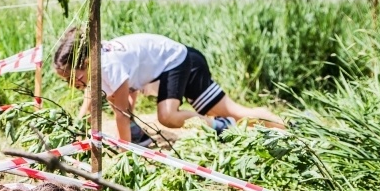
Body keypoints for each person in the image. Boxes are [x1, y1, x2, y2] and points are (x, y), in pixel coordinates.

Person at [54, 28, 285, 145]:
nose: (72, 84)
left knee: (167, 116)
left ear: (84, 62)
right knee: (235, 112)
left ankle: (223, 125)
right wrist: (76, 124)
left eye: (73, 77)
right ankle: (281, 127)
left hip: (178, 62)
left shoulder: (108, 66)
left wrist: (126, 154)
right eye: (65, 81)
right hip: (181, 62)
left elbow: (122, 114)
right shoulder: (98, 61)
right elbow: (98, 96)